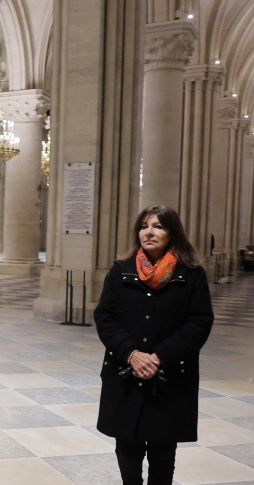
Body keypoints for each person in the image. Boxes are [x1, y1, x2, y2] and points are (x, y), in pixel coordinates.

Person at [94, 205, 214, 485]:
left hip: (168, 377)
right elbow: (105, 317)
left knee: (163, 453)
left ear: (173, 233)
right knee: (127, 450)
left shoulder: (191, 274)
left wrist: (159, 357)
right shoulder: (120, 270)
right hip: (125, 373)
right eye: (144, 226)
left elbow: (199, 323)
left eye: (158, 226)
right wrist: (131, 354)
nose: (149, 232)